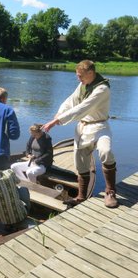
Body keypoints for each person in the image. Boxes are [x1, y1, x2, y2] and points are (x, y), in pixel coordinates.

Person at [42, 60, 118, 208]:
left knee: (106, 151)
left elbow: (83, 107)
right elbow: (71, 101)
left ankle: (110, 192)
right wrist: (59, 113)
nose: (78, 79)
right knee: (80, 162)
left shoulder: (102, 89)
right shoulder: (83, 85)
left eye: (80, 76)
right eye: (77, 76)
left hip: (100, 126)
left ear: (91, 73)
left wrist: (57, 121)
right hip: (83, 128)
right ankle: (81, 196)